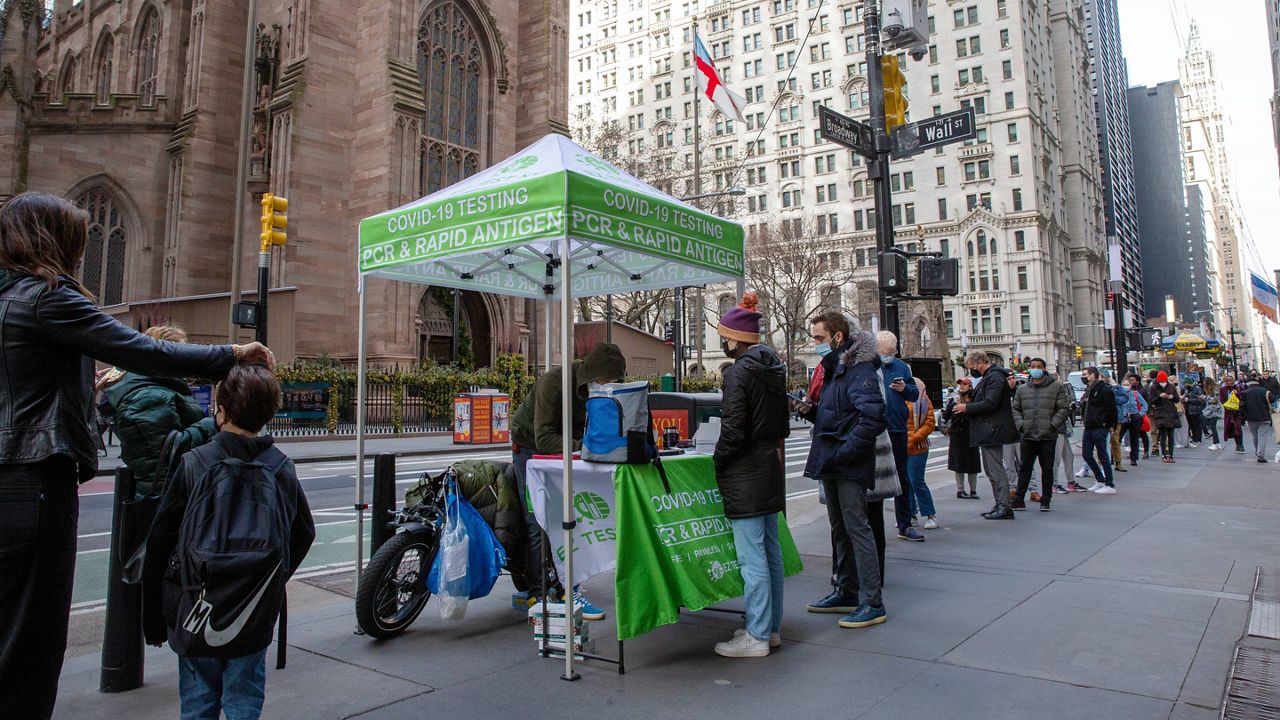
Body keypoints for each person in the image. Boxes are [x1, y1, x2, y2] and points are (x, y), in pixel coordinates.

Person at [0, 192, 274, 720]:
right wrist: (232, 354)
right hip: (33, 481)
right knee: (32, 641)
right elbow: (145, 349)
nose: (79, 255)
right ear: (50, 240)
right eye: (75, 241)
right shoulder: (45, 297)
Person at [142, 365, 314, 719]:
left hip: (195, 606)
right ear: (269, 414)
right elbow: (303, 533)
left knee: (198, 701)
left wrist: (155, 619)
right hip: (253, 610)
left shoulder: (195, 463)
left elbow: (160, 541)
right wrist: (271, 579)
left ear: (221, 411)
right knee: (243, 699)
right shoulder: (280, 466)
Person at [508, 341, 626, 617]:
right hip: (529, 448)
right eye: (606, 380)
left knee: (571, 518)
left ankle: (565, 584)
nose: (608, 386)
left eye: (614, 382)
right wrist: (586, 447)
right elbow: (544, 437)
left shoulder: (599, 389)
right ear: (592, 375)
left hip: (566, 446)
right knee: (538, 518)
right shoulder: (554, 383)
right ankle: (542, 596)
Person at [710, 294, 791, 657]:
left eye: (723, 335)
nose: (722, 342)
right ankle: (770, 627)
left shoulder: (738, 373)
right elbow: (783, 425)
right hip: (769, 466)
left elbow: (733, 429)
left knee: (751, 557)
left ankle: (756, 635)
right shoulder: (773, 368)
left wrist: (719, 460)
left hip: (745, 471)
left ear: (733, 338)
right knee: (770, 552)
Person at [803, 321, 889, 630]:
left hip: (845, 461)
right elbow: (839, 412)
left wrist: (847, 451)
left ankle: (871, 601)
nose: (815, 343)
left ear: (838, 337)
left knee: (856, 527)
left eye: (819, 338)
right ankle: (847, 590)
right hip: (834, 458)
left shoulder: (859, 369)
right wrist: (810, 411)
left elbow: (873, 416)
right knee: (840, 527)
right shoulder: (834, 369)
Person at [103, 325, 219, 498]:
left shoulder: (159, 388)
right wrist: (213, 423)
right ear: (163, 356)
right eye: (179, 352)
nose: (186, 359)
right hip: (164, 495)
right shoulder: (149, 396)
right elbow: (172, 449)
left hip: (170, 490)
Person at [951, 351, 1019, 519]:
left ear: (981, 362)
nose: (972, 371)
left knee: (995, 469)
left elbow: (991, 402)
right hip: (989, 429)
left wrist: (966, 408)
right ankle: (1000, 504)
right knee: (991, 469)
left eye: (972, 367)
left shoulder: (994, 378)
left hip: (992, 429)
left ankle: (1004, 505)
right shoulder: (990, 377)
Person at [875, 331, 925, 541]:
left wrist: (905, 388)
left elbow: (915, 394)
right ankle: (874, 524)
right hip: (877, 430)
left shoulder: (901, 367)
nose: (889, 356)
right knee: (874, 479)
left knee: (902, 478)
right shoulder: (869, 366)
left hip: (896, 428)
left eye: (892, 353)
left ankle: (905, 523)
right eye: (886, 353)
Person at [1011, 358, 1071, 511]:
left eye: (1038, 367)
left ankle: (1046, 500)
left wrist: (1052, 425)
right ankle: (1019, 499)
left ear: (1044, 369)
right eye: (1033, 367)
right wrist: (1021, 425)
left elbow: (1063, 409)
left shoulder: (1056, 387)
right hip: (1028, 435)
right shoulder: (1022, 389)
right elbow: (1015, 409)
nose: (1035, 369)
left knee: (1047, 469)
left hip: (1047, 436)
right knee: (1025, 468)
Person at [904, 378, 938, 528]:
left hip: (918, 446)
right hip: (900, 446)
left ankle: (930, 514)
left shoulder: (923, 400)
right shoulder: (898, 398)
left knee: (916, 481)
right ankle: (911, 514)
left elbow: (930, 422)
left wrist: (914, 437)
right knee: (906, 483)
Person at [1080, 366, 1117, 493]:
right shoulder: (1089, 389)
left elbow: (1112, 408)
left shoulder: (1103, 389)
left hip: (1100, 426)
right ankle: (1100, 479)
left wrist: (1110, 425)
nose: (1083, 377)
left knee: (1103, 455)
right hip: (1089, 425)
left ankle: (1109, 483)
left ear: (1093, 375)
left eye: (1085, 374)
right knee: (1086, 454)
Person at [942, 377, 981, 500]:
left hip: (972, 434)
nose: (962, 386)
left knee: (973, 463)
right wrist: (954, 404)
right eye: (960, 384)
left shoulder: (975, 399)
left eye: (964, 384)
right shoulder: (954, 399)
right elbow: (946, 415)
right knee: (959, 463)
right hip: (957, 435)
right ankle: (960, 490)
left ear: (970, 387)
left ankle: (973, 490)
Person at [1146, 371, 1182, 463]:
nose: (1163, 383)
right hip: (1160, 413)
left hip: (1171, 412)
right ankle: (1164, 455)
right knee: (1163, 435)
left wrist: (1172, 397)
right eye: (1161, 381)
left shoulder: (1171, 387)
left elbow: (1177, 399)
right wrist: (1159, 397)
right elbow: (1151, 401)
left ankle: (1170, 455)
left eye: (1164, 381)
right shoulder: (1153, 388)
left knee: (1171, 435)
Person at [1239, 376, 1274, 463]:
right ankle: (1260, 454)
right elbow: (1272, 399)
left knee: (1255, 436)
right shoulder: (1264, 391)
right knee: (1262, 436)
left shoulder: (1245, 393)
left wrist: (1242, 419)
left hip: (1251, 418)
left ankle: (1257, 451)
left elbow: (1242, 407)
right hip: (1264, 416)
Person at [1118, 374, 1149, 467]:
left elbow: (1144, 404)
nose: (1126, 386)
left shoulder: (1135, 393)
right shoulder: (1119, 394)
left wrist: (1140, 414)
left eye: (1128, 384)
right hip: (1123, 418)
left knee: (1134, 439)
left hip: (1134, 417)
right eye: (1124, 384)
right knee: (1118, 438)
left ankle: (1134, 458)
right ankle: (1115, 458)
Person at [1183, 377, 1206, 447]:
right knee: (1192, 425)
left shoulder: (1197, 389)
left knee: (1196, 425)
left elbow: (1200, 400)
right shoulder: (1188, 389)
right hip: (1189, 410)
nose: (1185, 384)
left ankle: (1198, 439)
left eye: (1186, 383)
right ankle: (1194, 438)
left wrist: (1189, 400)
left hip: (1195, 410)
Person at [1201, 378, 1223, 450]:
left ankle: (1215, 443)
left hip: (1213, 411)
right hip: (1213, 411)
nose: (1204, 384)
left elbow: (1215, 400)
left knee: (1213, 427)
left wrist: (1205, 398)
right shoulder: (1212, 390)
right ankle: (1217, 443)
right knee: (1213, 427)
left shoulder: (1214, 390)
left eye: (1205, 383)